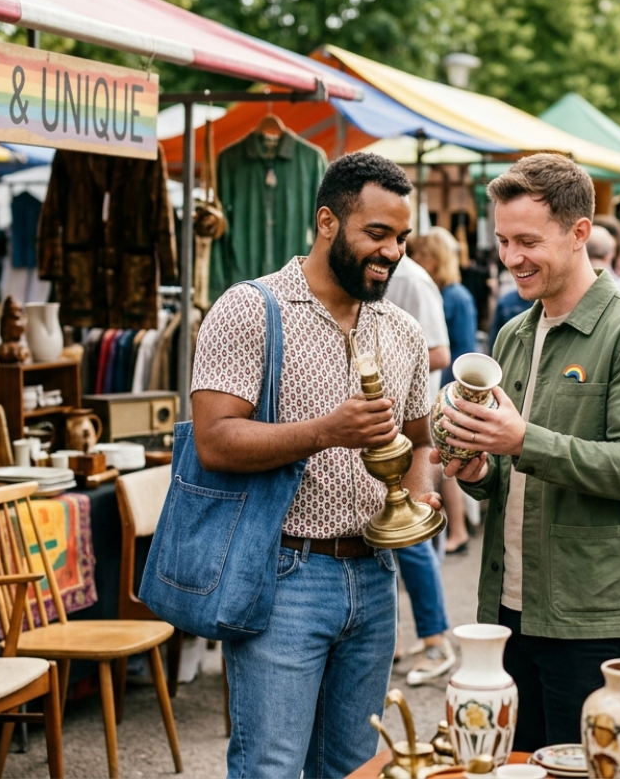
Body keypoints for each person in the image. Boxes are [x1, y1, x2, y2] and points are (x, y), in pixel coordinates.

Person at [190, 153, 441, 778]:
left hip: (375, 575)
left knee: (355, 767)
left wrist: (416, 494)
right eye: (376, 235)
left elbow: (417, 437)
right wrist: (326, 431)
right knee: (271, 767)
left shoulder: (403, 329)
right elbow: (214, 441)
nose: (391, 253)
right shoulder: (249, 309)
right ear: (327, 222)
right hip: (283, 573)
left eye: (401, 238)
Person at [435, 154, 620, 751]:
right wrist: (475, 468)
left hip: (592, 613)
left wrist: (522, 440)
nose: (511, 257)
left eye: (527, 240)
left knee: (582, 766)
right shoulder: (513, 335)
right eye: (502, 240)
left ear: (579, 233)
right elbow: (503, 476)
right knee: (515, 764)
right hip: (507, 606)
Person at [384, 240, 459, 688]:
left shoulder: (411, 279)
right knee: (391, 537)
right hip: (385, 423)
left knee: (410, 535)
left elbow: (440, 353)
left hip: (409, 426)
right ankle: (397, 637)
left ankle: (436, 641)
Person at [411, 227, 481, 558]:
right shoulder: (445, 293)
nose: (415, 260)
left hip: (452, 390)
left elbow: (462, 352)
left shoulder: (456, 297)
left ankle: (457, 530)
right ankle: (457, 528)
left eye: (422, 254)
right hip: (445, 388)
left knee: (448, 463)